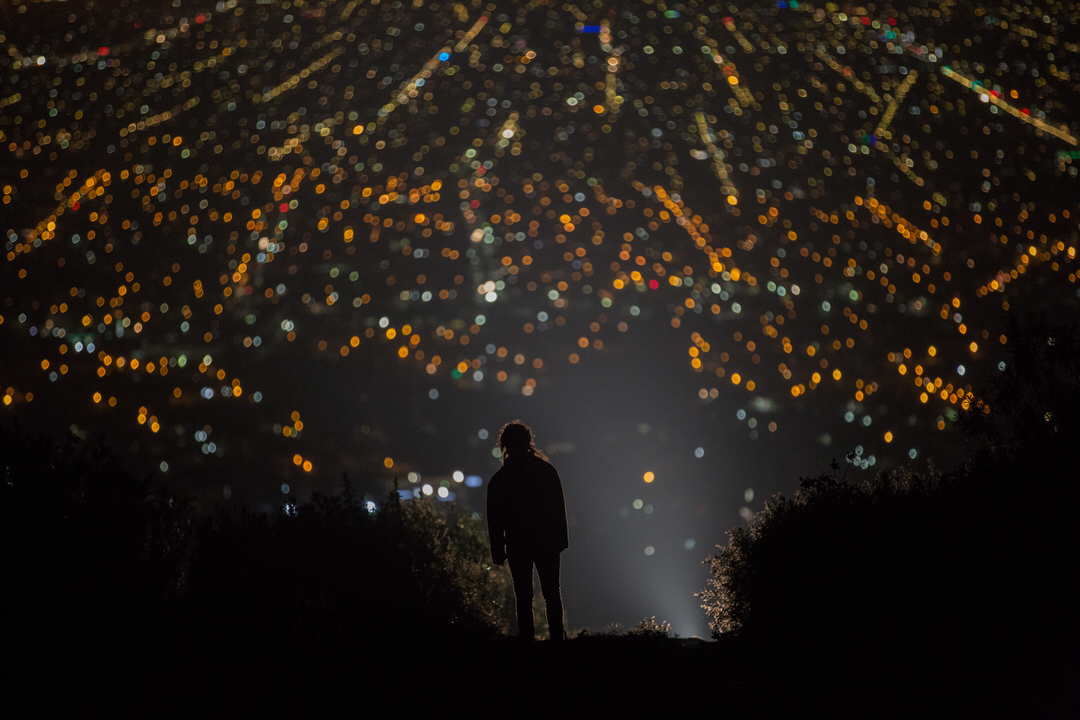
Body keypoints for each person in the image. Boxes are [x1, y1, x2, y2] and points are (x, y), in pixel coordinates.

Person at [486, 421, 569, 641]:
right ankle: (557, 639)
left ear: (504, 446)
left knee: (523, 596)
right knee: (552, 594)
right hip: (547, 542)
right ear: (529, 441)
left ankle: (527, 641)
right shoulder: (547, 472)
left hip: (517, 544)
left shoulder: (499, 480)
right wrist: (560, 541)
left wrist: (497, 549)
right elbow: (558, 509)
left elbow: (494, 519)